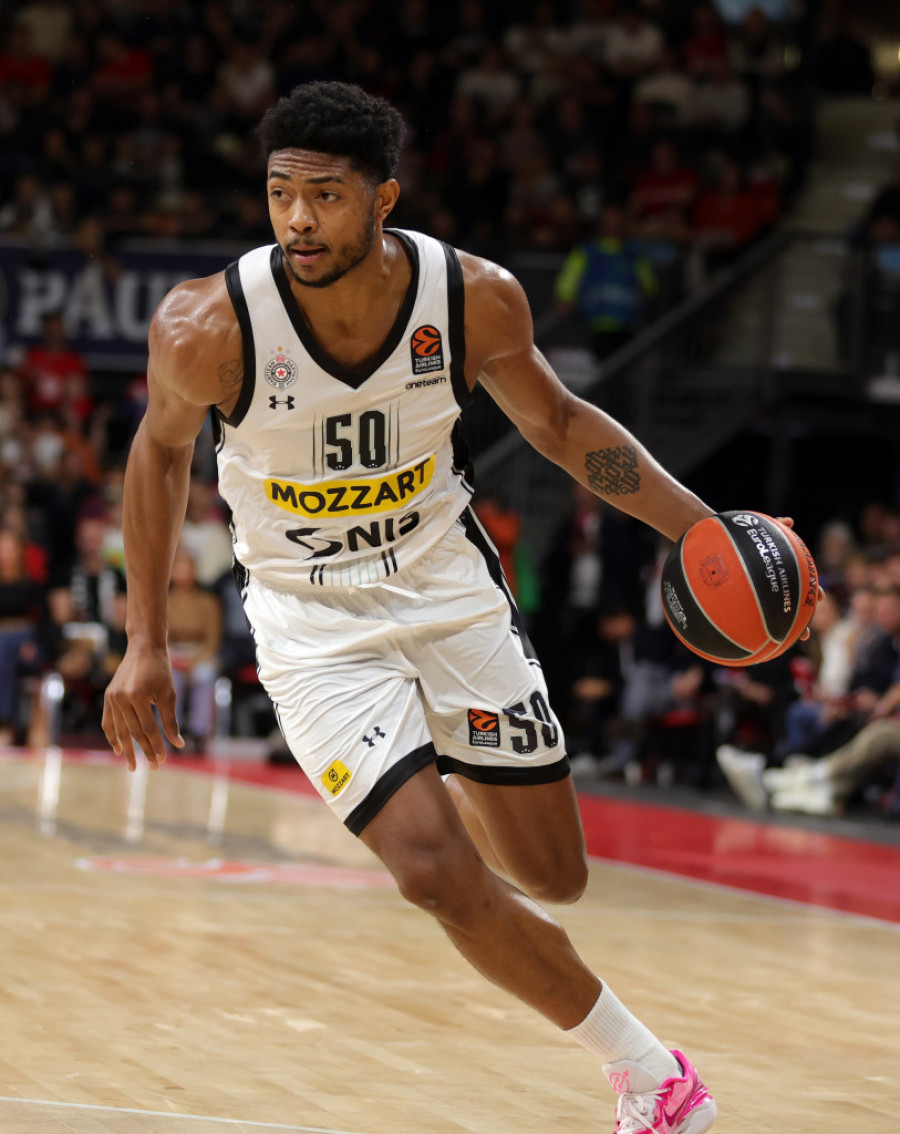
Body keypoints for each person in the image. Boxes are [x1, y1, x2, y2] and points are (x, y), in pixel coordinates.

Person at [102, 79, 809, 1134]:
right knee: (433, 873)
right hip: (311, 625)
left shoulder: (473, 297)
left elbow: (561, 426)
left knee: (552, 877)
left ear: (383, 197)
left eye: (326, 196)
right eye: (281, 194)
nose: (298, 220)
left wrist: (703, 534)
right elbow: (158, 456)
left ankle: (449, 757)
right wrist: (143, 640)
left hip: (448, 597)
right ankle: (651, 1075)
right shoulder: (206, 325)